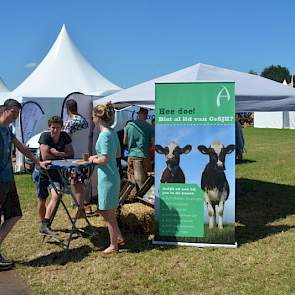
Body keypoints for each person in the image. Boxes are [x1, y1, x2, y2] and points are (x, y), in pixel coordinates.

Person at [0, 99, 49, 271]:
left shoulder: (8, 131)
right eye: (15, 113)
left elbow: (21, 147)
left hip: (8, 180)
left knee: (15, 214)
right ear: (8, 110)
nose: (17, 116)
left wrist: (37, 161)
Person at [34, 116, 85, 235]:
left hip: (55, 172)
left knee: (56, 196)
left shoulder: (64, 136)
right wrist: (62, 155)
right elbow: (45, 157)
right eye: (53, 127)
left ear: (62, 127)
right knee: (42, 198)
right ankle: (44, 224)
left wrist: (56, 153)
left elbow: (71, 153)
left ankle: (45, 224)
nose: (55, 130)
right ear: (49, 127)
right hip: (42, 171)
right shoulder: (45, 136)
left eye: (58, 128)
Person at [88, 102, 124, 254]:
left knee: (108, 212)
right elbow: (117, 154)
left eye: (93, 115)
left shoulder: (104, 135)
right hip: (111, 175)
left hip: (107, 178)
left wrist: (92, 159)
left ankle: (113, 245)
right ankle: (119, 238)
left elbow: (105, 159)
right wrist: (98, 156)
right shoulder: (112, 132)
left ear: (97, 117)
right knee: (103, 210)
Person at [63, 99, 91, 211]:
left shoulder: (71, 122)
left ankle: (77, 204)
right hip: (84, 153)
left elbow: (65, 138)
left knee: (74, 181)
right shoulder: (85, 121)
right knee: (84, 180)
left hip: (74, 155)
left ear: (67, 109)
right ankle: (85, 202)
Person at [123, 108, 154, 195]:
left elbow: (125, 142)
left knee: (132, 180)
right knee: (146, 179)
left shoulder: (129, 125)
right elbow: (153, 143)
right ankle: (145, 199)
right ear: (146, 115)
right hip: (144, 156)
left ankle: (133, 198)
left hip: (132, 156)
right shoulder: (149, 127)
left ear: (138, 114)